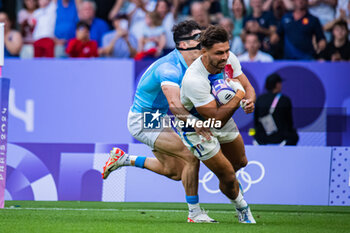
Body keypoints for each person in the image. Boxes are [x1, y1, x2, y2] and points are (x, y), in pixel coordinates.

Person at [102, 20, 216, 223]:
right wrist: (195, 122)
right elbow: (174, 103)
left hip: (157, 117)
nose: (203, 43)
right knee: (191, 155)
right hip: (143, 120)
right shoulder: (169, 69)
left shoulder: (192, 64)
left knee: (174, 172)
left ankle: (124, 159)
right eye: (198, 39)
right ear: (183, 45)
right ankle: (195, 213)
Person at [178, 25, 256, 223]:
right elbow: (216, 119)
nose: (225, 56)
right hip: (198, 128)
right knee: (229, 175)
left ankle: (225, 180)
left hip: (222, 118)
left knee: (241, 163)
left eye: (227, 51)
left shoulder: (229, 60)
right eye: (219, 53)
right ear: (204, 51)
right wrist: (239, 96)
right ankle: (242, 208)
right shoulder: (194, 79)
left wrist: (249, 100)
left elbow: (247, 86)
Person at [254, 73, 299, 145]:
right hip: (281, 139)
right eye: (280, 83)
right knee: (294, 135)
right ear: (277, 84)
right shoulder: (285, 100)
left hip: (262, 139)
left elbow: (256, 121)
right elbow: (289, 123)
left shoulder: (259, 99)